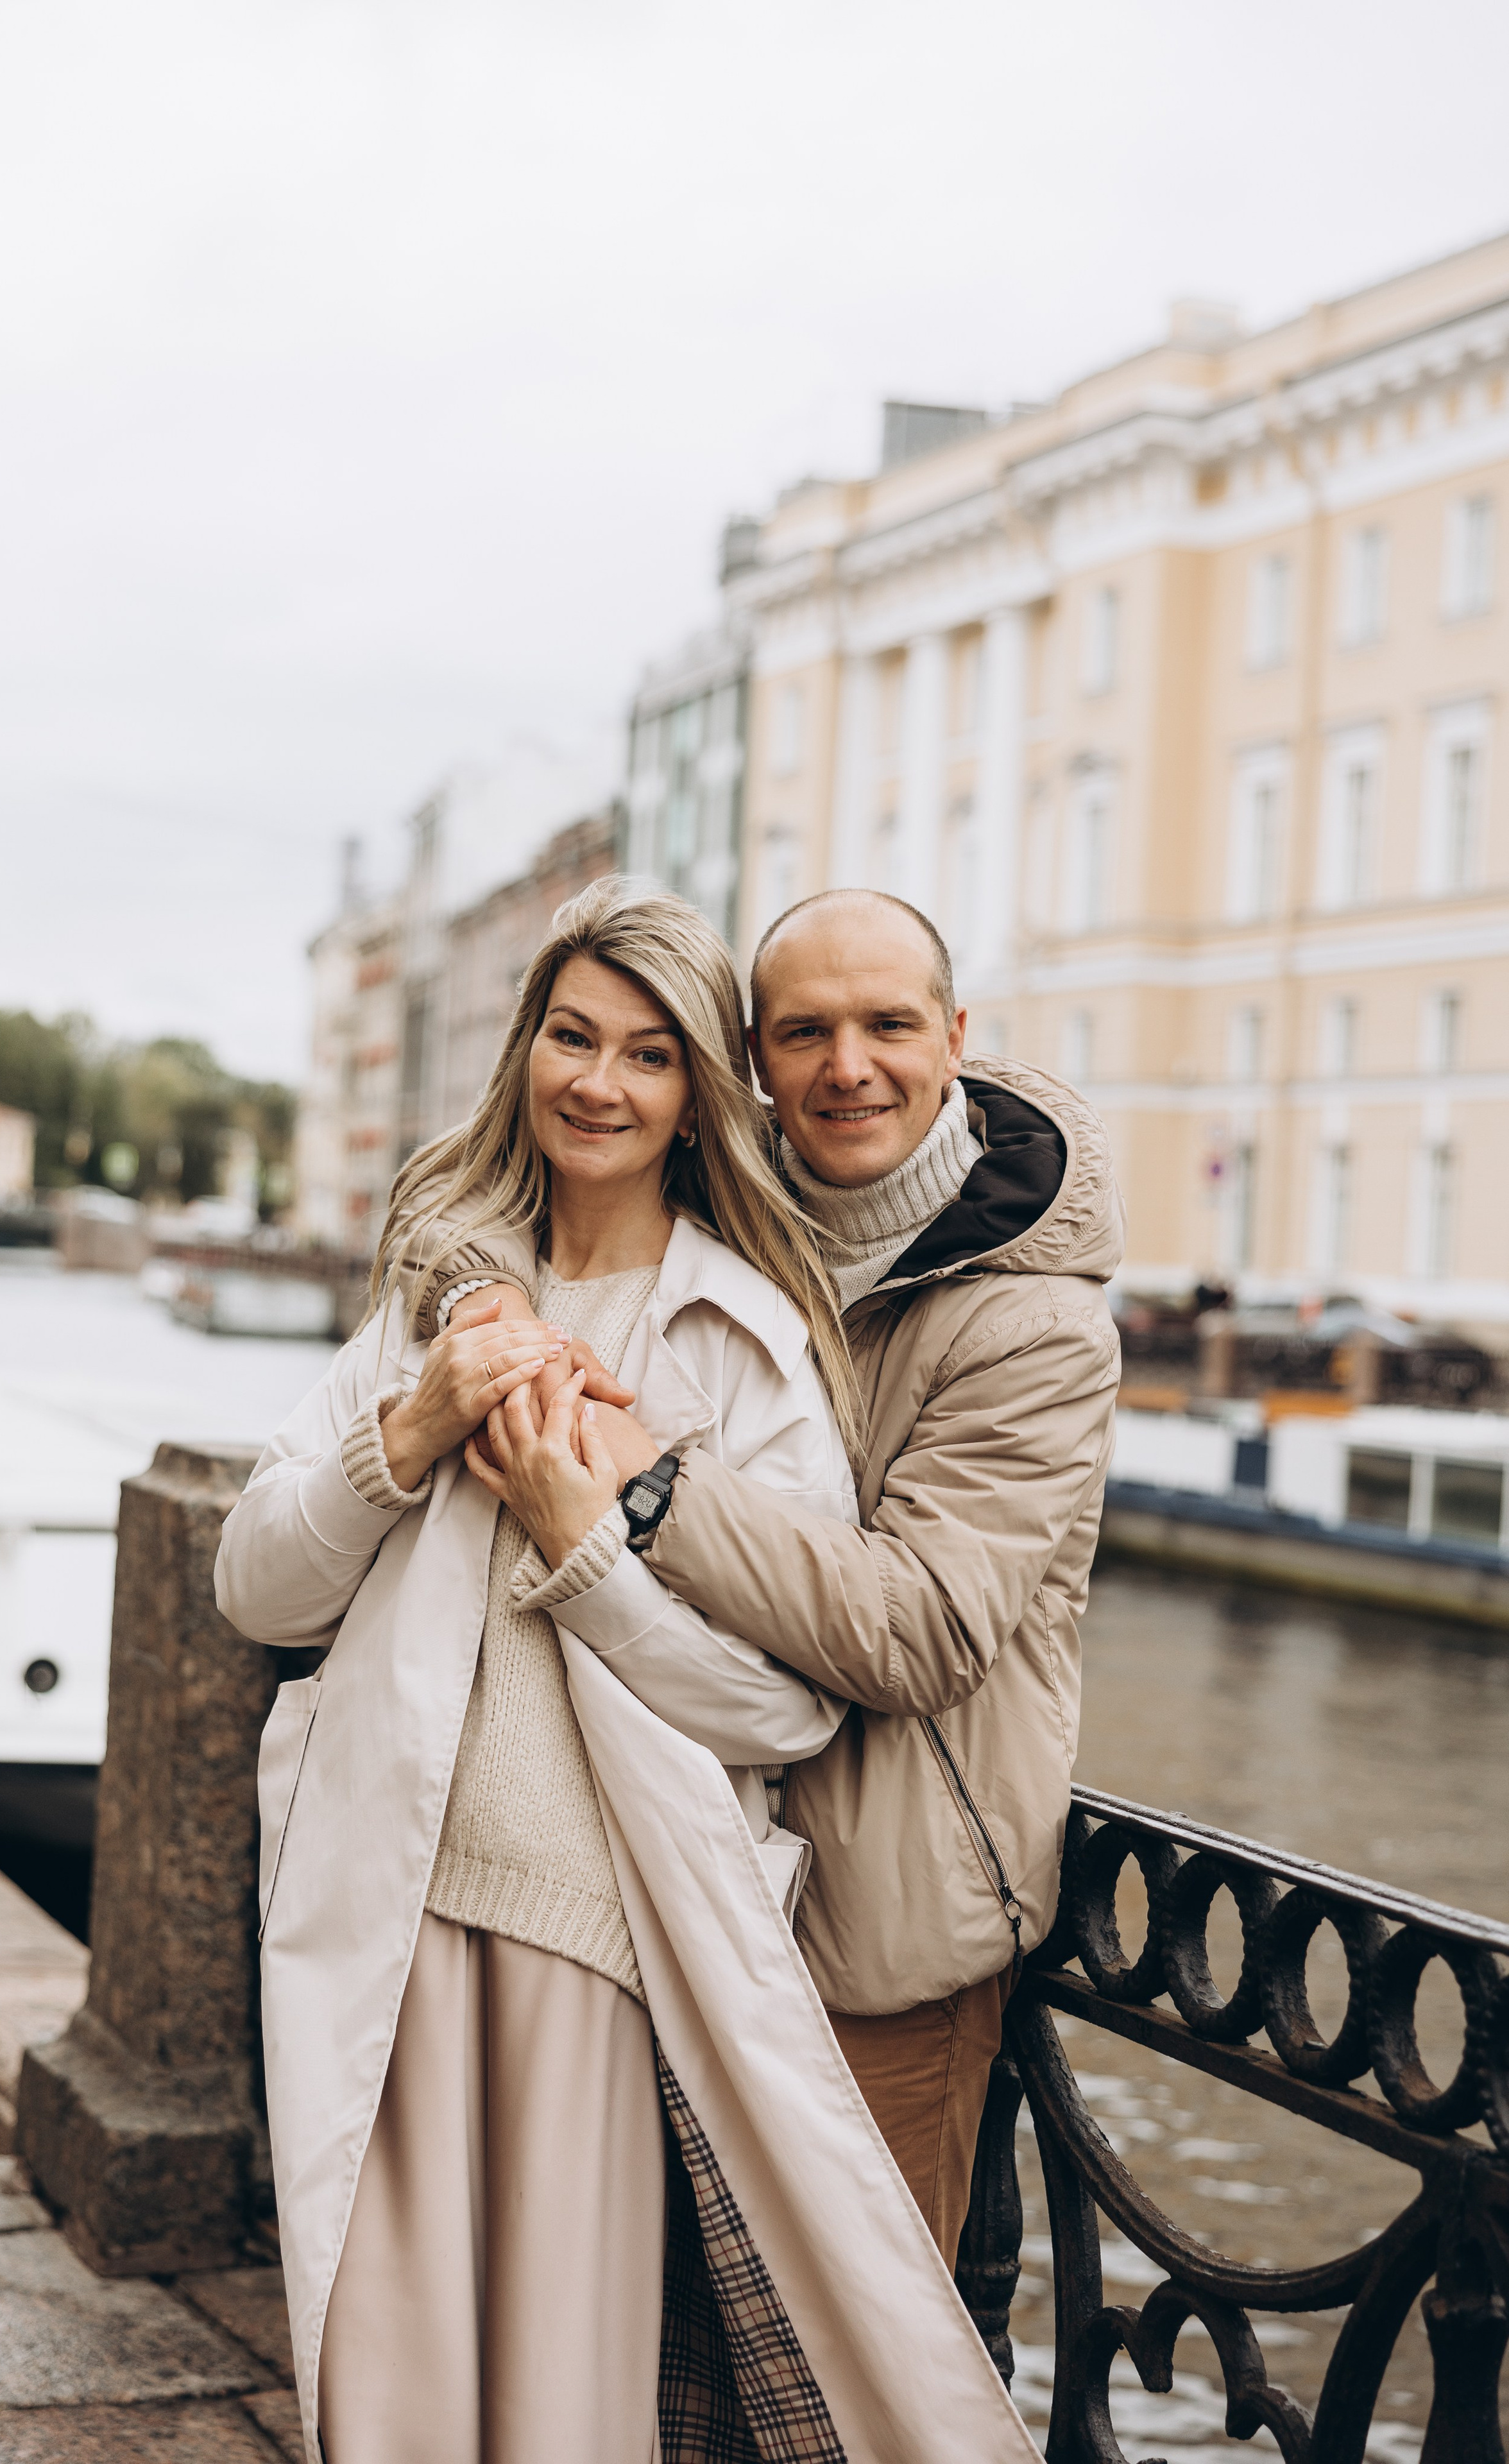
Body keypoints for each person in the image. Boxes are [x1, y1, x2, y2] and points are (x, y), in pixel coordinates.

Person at [215, 880, 1040, 2464]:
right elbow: (257, 1580)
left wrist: (580, 1545)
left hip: (598, 1945)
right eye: (570, 1037)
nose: (597, 1082)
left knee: (553, 2406)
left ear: (693, 1099)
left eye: (648, 1056)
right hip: (389, 1901)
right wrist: (408, 1435)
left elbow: (785, 1707)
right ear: (523, 1048)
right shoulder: (431, 1306)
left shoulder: (740, 1337)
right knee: (379, 2395)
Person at [422, 886, 1123, 2277]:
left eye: (885, 1024)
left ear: (954, 1035)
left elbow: (915, 1629)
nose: (845, 1066)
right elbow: (491, 1196)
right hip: (675, 1870)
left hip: (883, 1914)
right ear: (748, 1061)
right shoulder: (738, 1215)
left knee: (852, 2357)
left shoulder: (1037, 1324)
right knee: (662, 2356)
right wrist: (476, 1306)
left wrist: (645, 1474)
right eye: (801, 1031)